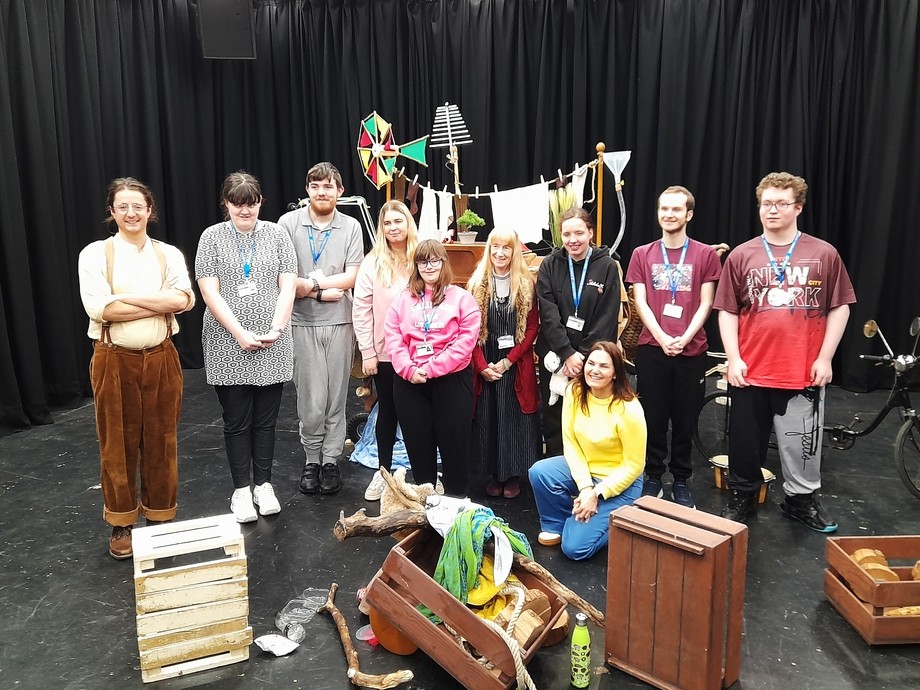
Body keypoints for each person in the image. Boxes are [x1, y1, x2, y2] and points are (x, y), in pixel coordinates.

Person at [715, 172, 856, 531]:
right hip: (750, 371)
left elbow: (840, 307)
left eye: (780, 203)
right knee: (745, 444)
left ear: (798, 207)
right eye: (766, 203)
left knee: (803, 445)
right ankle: (743, 497)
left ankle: (800, 501)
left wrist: (825, 357)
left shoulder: (823, 253)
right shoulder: (742, 255)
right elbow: (728, 310)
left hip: (801, 372)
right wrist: (733, 358)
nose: (772, 210)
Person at [78, 178, 195, 559]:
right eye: (122, 207)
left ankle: (160, 519)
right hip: (114, 359)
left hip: (161, 357)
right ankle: (121, 522)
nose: (131, 213)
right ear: (112, 212)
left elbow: (184, 299)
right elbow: (102, 309)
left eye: (138, 206)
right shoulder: (96, 254)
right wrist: (160, 302)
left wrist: (129, 299)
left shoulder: (168, 254)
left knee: (162, 443)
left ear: (150, 211)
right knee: (118, 444)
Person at [195, 172, 297, 522]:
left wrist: (277, 327)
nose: (245, 209)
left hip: (273, 340)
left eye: (251, 203)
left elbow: (288, 285)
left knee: (266, 421)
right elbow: (209, 291)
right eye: (238, 203)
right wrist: (239, 331)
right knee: (236, 420)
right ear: (226, 203)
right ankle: (241, 490)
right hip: (227, 341)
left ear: (259, 202)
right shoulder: (211, 237)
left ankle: (263, 485)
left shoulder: (277, 234)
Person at [625, 186, 722, 509]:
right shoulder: (642, 254)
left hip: (691, 351)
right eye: (664, 208)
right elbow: (640, 300)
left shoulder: (706, 255)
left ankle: (680, 480)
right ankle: (653, 476)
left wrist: (684, 336)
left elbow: (707, 301)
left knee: (684, 419)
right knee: (652, 416)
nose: (669, 214)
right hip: (653, 349)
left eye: (676, 209)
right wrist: (663, 337)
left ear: (688, 215)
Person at [277, 162, 364, 495]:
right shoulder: (288, 224)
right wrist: (320, 291)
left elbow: (351, 276)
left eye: (329, 186)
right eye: (315, 186)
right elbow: (284, 278)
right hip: (301, 322)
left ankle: (330, 461)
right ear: (307, 189)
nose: (322, 192)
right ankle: (311, 458)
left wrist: (311, 282)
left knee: (335, 398)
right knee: (311, 401)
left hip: (341, 322)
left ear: (339, 191)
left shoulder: (351, 227)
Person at [528, 341, 646, 561]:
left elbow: (634, 466)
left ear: (615, 373)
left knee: (575, 549)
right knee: (540, 472)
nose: (595, 370)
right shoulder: (575, 390)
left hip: (619, 482)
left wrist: (596, 492)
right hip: (586, 473)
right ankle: (559, 524)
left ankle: (625, 521)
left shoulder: (629, 409)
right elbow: (570, 442)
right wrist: (585, 488)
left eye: (604, 366)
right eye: (591, 363)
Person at [384, 239, 480, 496]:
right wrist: (409, 370)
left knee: (455, 448)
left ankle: (458, 503)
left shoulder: (463, 299)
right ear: (416, 265)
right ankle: (425, 504)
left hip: (451, 381)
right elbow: (393, 339)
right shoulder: (402, 300)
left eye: (434, 260)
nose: (429, 266)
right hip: (410, 382)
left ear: (443, 263)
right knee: (418, 446)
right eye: (423, 261)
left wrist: (431, 369)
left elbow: (465, 342)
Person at [536, 207, 621, 457]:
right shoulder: (550, 264)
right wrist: (566, 353)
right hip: (555, 358)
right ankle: (554, 469)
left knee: (587, 418)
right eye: (566, 234)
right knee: (554, 418)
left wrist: (580, 357)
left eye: (579, 233)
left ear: (590, 233)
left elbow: (606, 318)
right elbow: (548, 313)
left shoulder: (606, 266)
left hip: (592, 361)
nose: (573, 240)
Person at [466, 228, 540, 499]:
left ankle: (512, 475)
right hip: (485, 363)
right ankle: (493, 475)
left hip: (514, 365)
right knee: (488, 418)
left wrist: (508, 362)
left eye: (506, 247)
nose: (500, 252)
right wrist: (482, 366)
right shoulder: (476, 283)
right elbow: (469, 330)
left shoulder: (526, 284)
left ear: (514, 251)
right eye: (495, 246)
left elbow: (531, 328)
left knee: (513, 419)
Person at [352, 200, 419, 501]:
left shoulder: (422, 257)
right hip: (386, 354)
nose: (393, 228)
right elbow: (361, 309)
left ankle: (423, 476)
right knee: (388, 413)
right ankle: (384, 473)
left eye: (398, 221)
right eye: (387, 223)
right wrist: (367, 352)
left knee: (420, 414)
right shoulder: (372, 262)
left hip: (422, 355)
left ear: (408, 223)